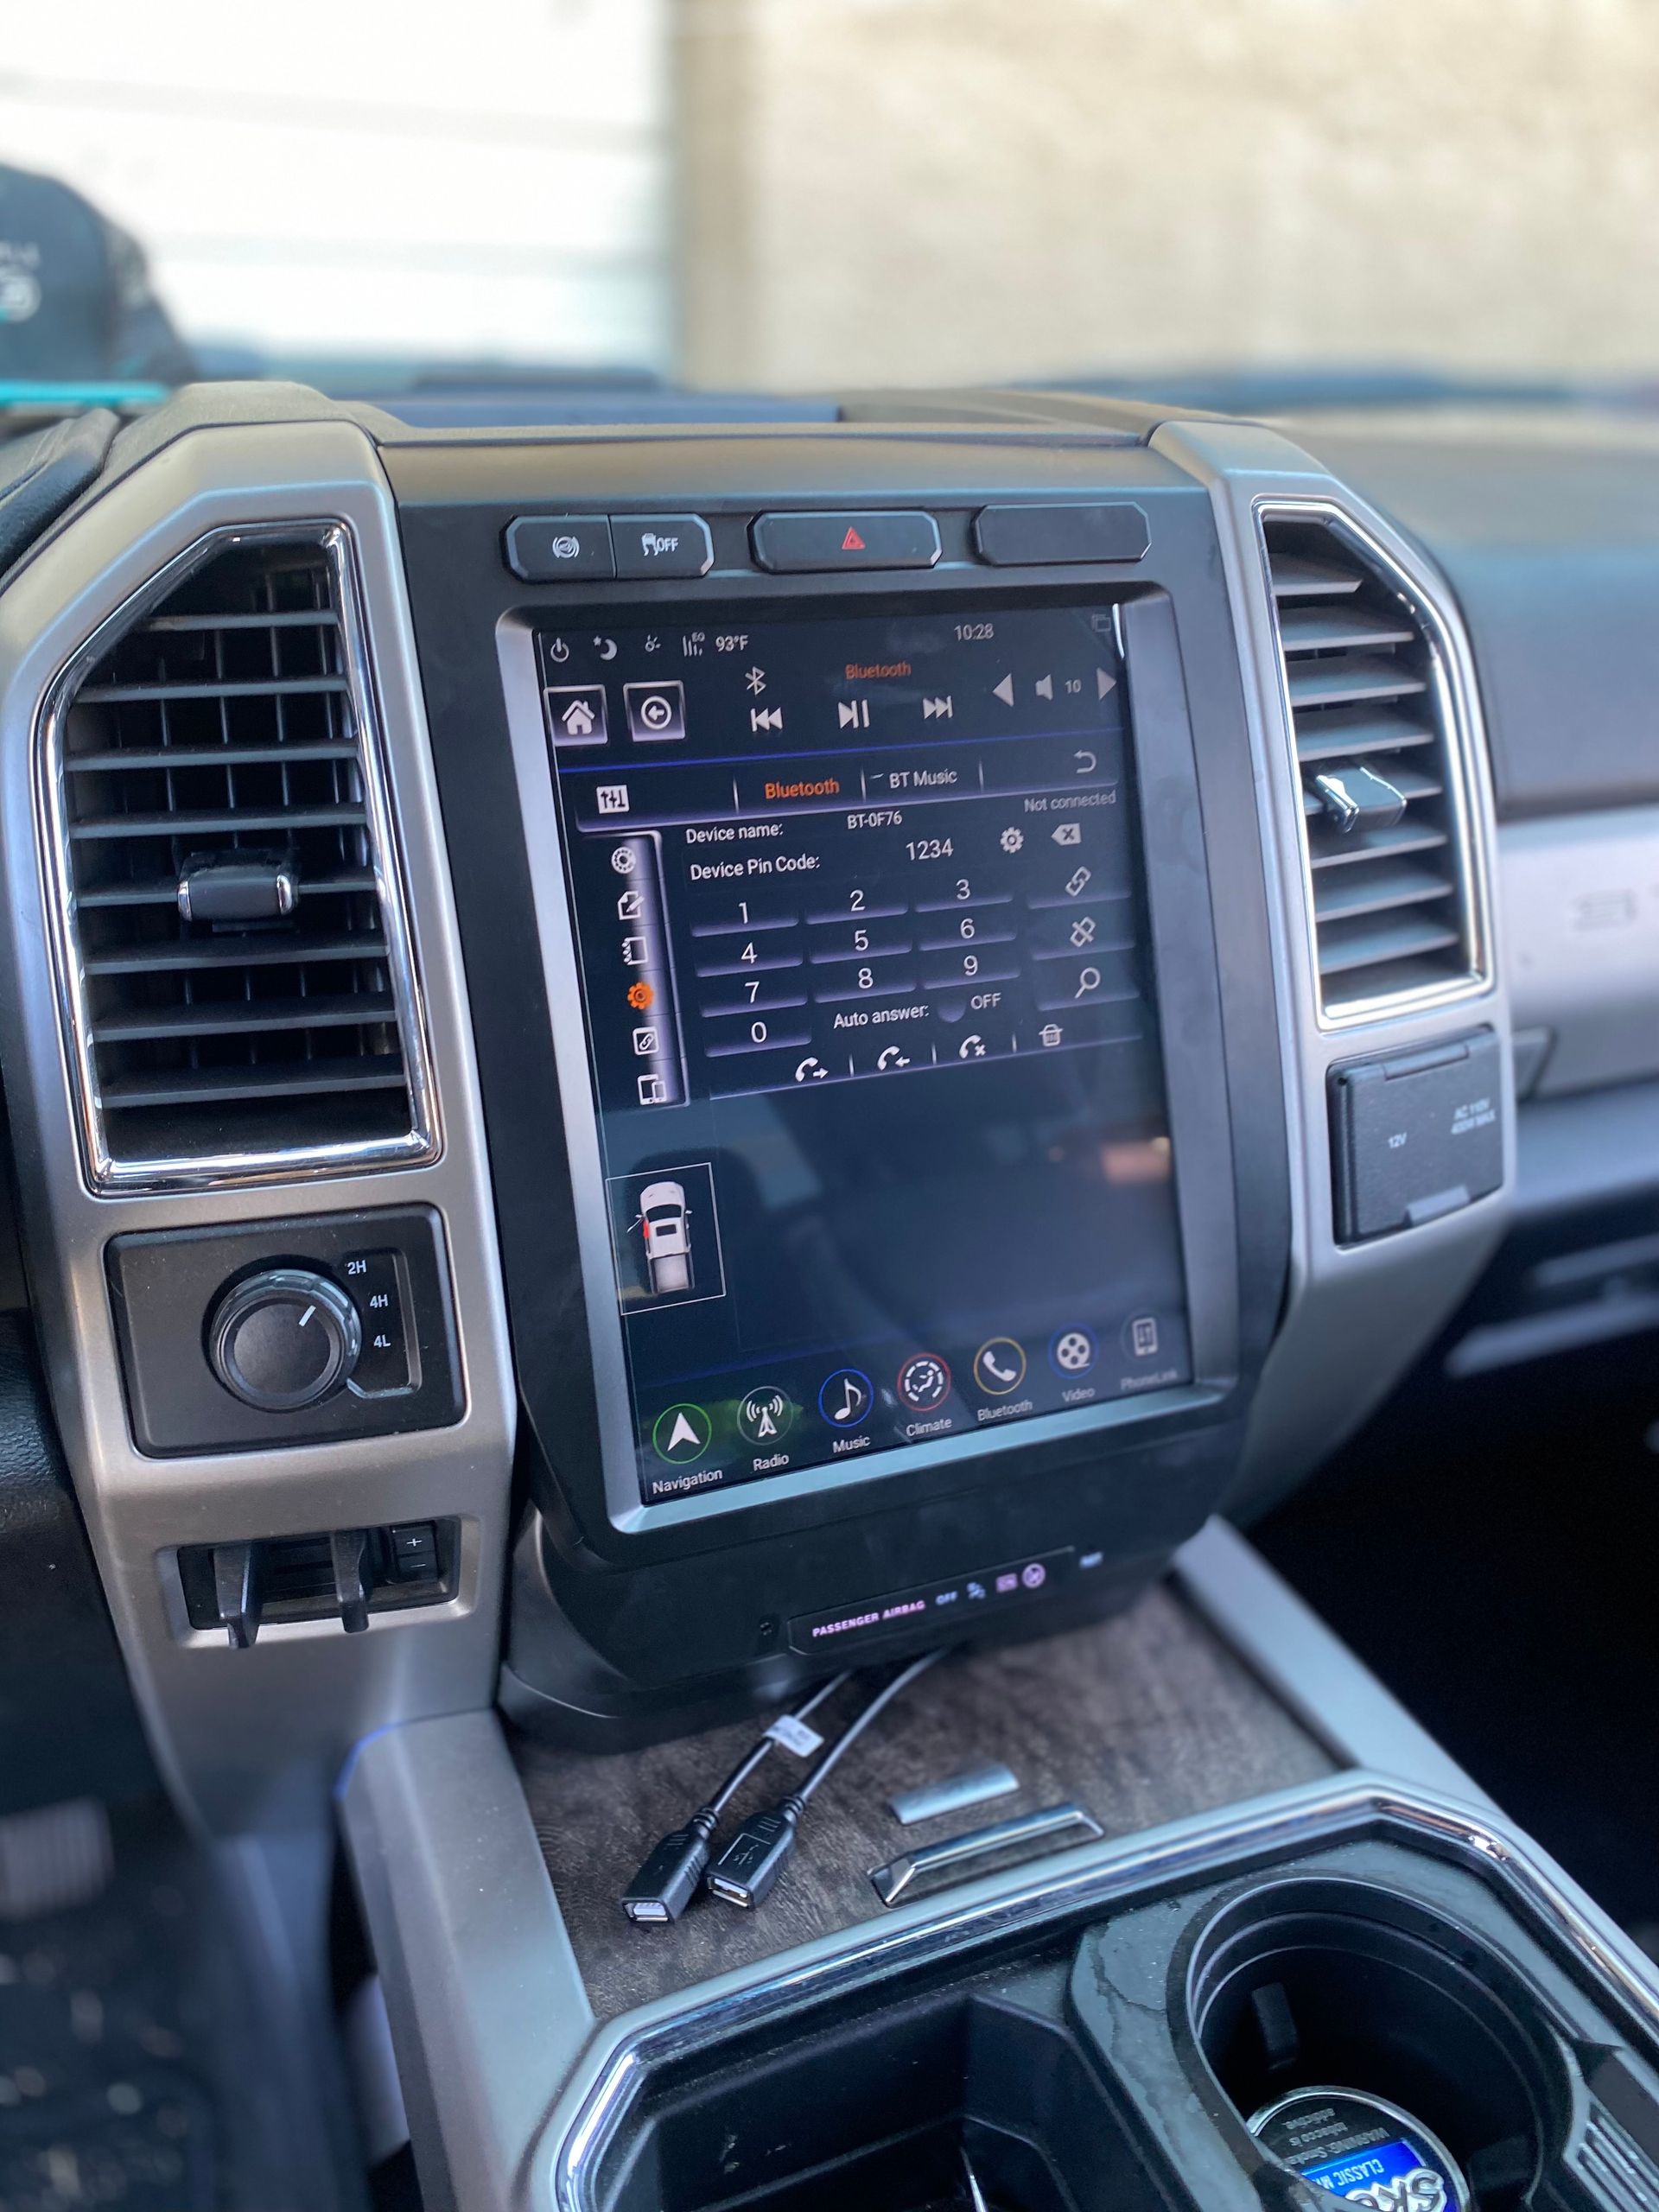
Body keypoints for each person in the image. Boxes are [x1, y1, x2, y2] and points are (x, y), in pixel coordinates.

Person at [0, 162, 195, 385]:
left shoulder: (66, 212)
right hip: (84, 414)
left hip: (78, 413)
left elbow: (159, 368)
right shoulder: (66, 207)